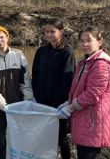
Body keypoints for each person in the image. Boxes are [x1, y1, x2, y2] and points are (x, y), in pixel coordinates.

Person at [58, 27, 110, 159]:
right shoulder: (86, 62)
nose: (84, 44)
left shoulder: (101, 64)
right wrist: (68, 102)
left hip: (93, 122)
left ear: (99, 41)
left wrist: (70, 108)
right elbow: (79, 90)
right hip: (85, 120)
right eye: (81, 41)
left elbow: (92, 94)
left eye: (89, 40)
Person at [0, 26, 34, 159]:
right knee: (0, 139)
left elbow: (26, 81)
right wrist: (2, 105)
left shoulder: (19, 56)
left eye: (2, 37)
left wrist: (28, 101)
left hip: (18, 107)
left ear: (7, 38)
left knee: (19, 138)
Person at [31, 18, 76, 159]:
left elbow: (67, 81)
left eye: (52, 31)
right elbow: (36, 76)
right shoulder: (41, 51)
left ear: (61, 32)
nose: (49, 34)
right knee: (42, 136)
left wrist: (58, 102)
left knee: (61, 138)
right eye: (46, 31)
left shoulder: (67, 53)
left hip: (58, 105)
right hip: (41, 102)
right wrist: (35, 97)